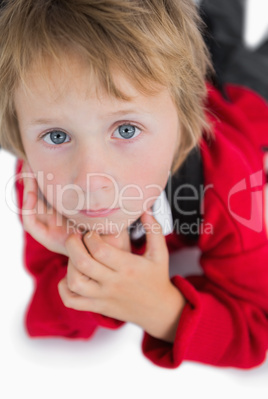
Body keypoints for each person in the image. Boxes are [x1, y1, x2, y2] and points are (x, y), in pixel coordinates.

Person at [0, 0, 268, 370]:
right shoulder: (39, 183)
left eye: (126, 130)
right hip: (179, 76)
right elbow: (44, 320)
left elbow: (255, 333)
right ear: (20, 139)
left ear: (184, 127)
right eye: (57, 135)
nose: (91, 182)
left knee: (228, 35)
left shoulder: (229, 182)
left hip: (249, 97)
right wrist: (93, 259)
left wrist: (162, 309)